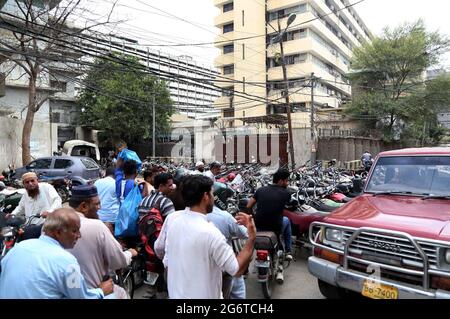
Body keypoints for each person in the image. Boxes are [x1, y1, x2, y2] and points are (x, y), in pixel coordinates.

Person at [164, 175, 256, 299]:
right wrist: (251, 238)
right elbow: (236, 269)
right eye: (212, 194)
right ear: (206, 196)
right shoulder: (210, 233)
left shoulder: (173, 222)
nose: (213, 198)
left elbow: (166, 261)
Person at [0, 208, 114, 299]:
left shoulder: (18, 248)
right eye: (75, 231)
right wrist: (101, 291)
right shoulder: (67, 261)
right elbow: (81, 297)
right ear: (58, 232)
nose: (79, 235)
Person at [67, 185, 138, 299]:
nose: (99, 207)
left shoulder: (52, 227)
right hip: (93, 291)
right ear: (84, 206)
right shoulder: (96, 226)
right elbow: (117, 261)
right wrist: (130, 253)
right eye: (96, 204)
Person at [207, 182, 248, 299]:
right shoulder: (224, 216)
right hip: (224, 266)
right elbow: (246, 234)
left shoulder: (178, 216)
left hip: (200, 267)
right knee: (238, 288)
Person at [246, 169, 293, 261]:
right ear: (280, 181)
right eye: (286, 181)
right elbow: (289, 205)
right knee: (287, 220)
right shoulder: (286, 193)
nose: (287, 183)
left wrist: (253, 216)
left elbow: (248, 206)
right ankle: (288, 251)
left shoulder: (260, 190)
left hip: (258, 226)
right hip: (276, 227)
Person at [7, 172, 62, 240]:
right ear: (24, 184)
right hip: (30, 225)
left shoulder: (46, 187)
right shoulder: (25, 194)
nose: (30, 183)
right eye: (27, 182)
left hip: (46, 225)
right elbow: (20, 207)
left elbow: (57, 200)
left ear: (37, 180)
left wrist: (49, 211)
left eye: (32, 181)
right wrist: (12, 214)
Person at [94, 167, 120, 233]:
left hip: (98, 217)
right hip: (112, 218)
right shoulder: (116, 184)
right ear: (115, 175)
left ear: (106, 174)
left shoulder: (97, 182)